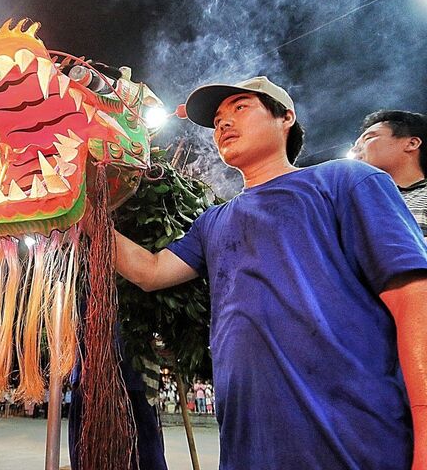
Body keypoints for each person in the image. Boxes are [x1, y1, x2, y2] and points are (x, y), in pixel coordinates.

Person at [111, 76, 427, 469]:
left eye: (240, 107)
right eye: (218, 119)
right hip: (248, 443)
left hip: (353, 438)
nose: (223, 122)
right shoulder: (213, 222)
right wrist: (82, 213)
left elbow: (413, 297)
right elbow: (150, 270)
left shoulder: (346, 181)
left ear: (286, 118)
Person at [353, 109, 427, 236]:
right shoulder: (351, 203)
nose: (355, 149)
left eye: (368, 138)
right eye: (355, 144)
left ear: (412, 143)